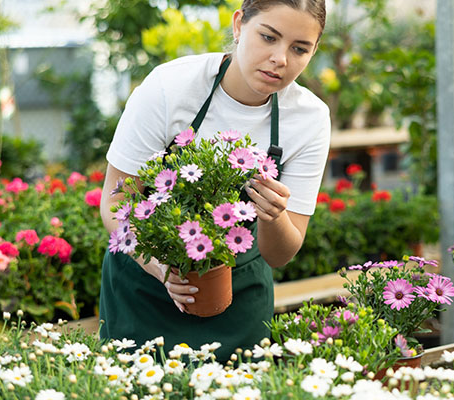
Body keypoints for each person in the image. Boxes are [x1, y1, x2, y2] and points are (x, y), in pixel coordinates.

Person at [98, 0, 330, 360]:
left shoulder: (310, 118)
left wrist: (274, 214)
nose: (280, 59)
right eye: (268, 37)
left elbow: (280, 254)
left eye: (299, 49)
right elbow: (116, 205)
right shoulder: (170, 86)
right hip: (143, 289)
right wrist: (163, 271)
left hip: (239, 298)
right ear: (239, 25)